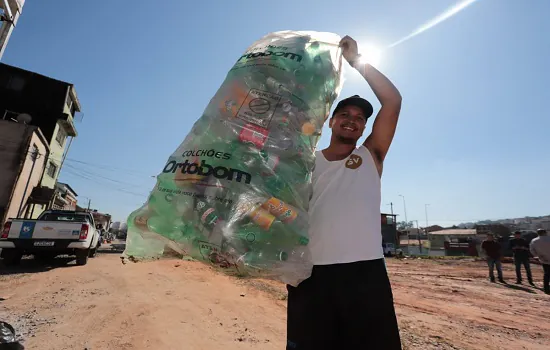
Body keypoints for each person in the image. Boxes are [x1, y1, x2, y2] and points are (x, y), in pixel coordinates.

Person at [286, 35, 402, 350]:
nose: (353, 121)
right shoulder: (307, 164)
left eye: (360, 119)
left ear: (365, 128)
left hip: (365, 274)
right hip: (312, 274)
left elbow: (392, 101)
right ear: (332, 121)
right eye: (346, 115)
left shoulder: (371, 155)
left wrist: (357, 61)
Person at [530, 229, 550, 294]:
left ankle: (546, 289)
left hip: (544, 259)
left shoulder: (534, 240)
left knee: (546, 274)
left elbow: (532, 250)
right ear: (545, 232)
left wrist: (537, 256)